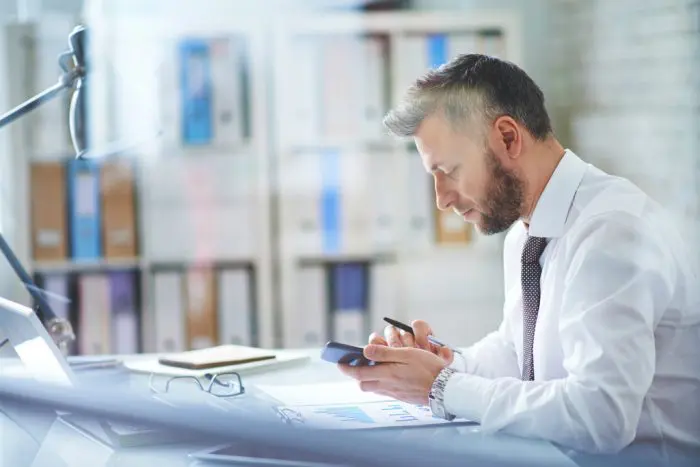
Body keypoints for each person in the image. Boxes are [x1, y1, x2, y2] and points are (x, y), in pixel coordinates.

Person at [338, 53, 700, 454]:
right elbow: (518, 353)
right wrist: (442, 365)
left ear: (508, 137)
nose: (441, 200)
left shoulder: (613, 231)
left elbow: (602, 417)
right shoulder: (527, 232)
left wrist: (443, 387)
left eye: (451, 171)